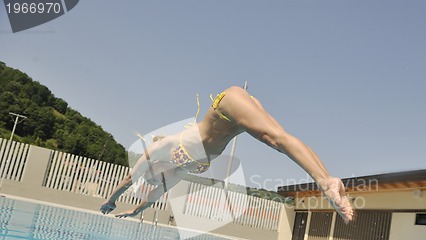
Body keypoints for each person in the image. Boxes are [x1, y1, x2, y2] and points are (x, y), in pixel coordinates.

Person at [100, 86, 354, 223]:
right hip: (237, 123)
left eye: (155, 177)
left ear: (154, 166)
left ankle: (326, 182)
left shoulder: (163, 148)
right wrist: (136, 210)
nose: (160, 181)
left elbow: (130, 178)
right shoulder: (179, 171)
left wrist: (112, 199)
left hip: (227, 105)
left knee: (275, 138)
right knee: (278, 141)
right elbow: (154, 196)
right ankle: (330, 179)